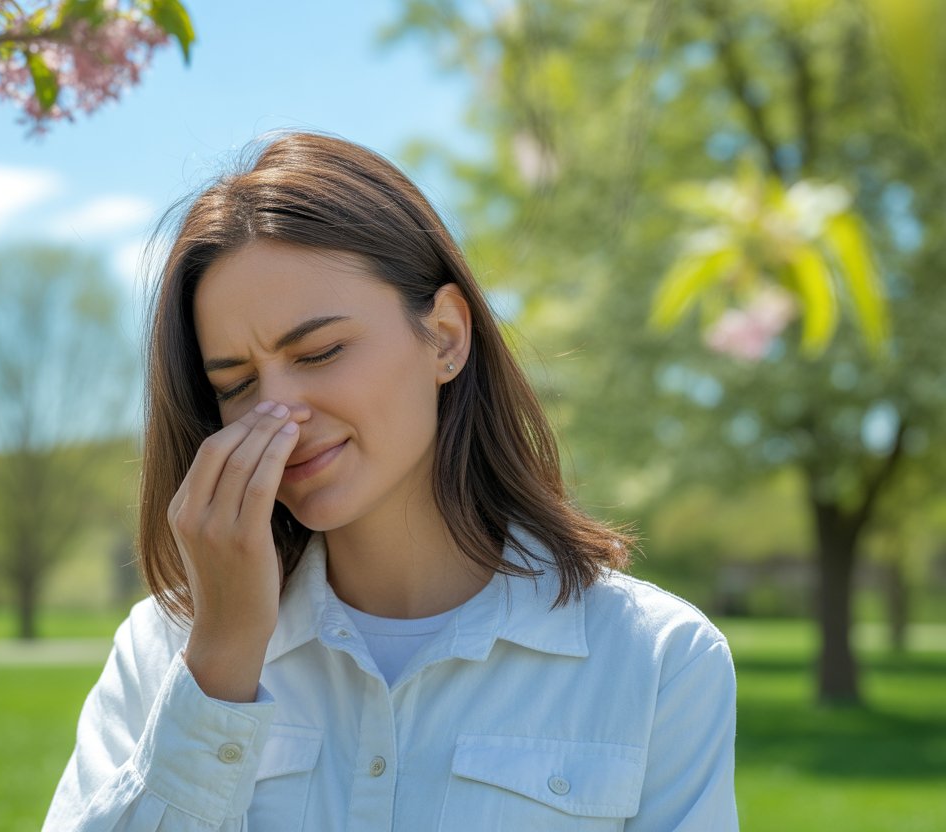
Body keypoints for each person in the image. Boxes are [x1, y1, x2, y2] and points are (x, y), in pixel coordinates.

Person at [41, 131, 738, 831]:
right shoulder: (166, 650)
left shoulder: (657, 662)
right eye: (236, 383)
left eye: (320, 352)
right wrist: (220, 666)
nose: (277, 414)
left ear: (445, 337)